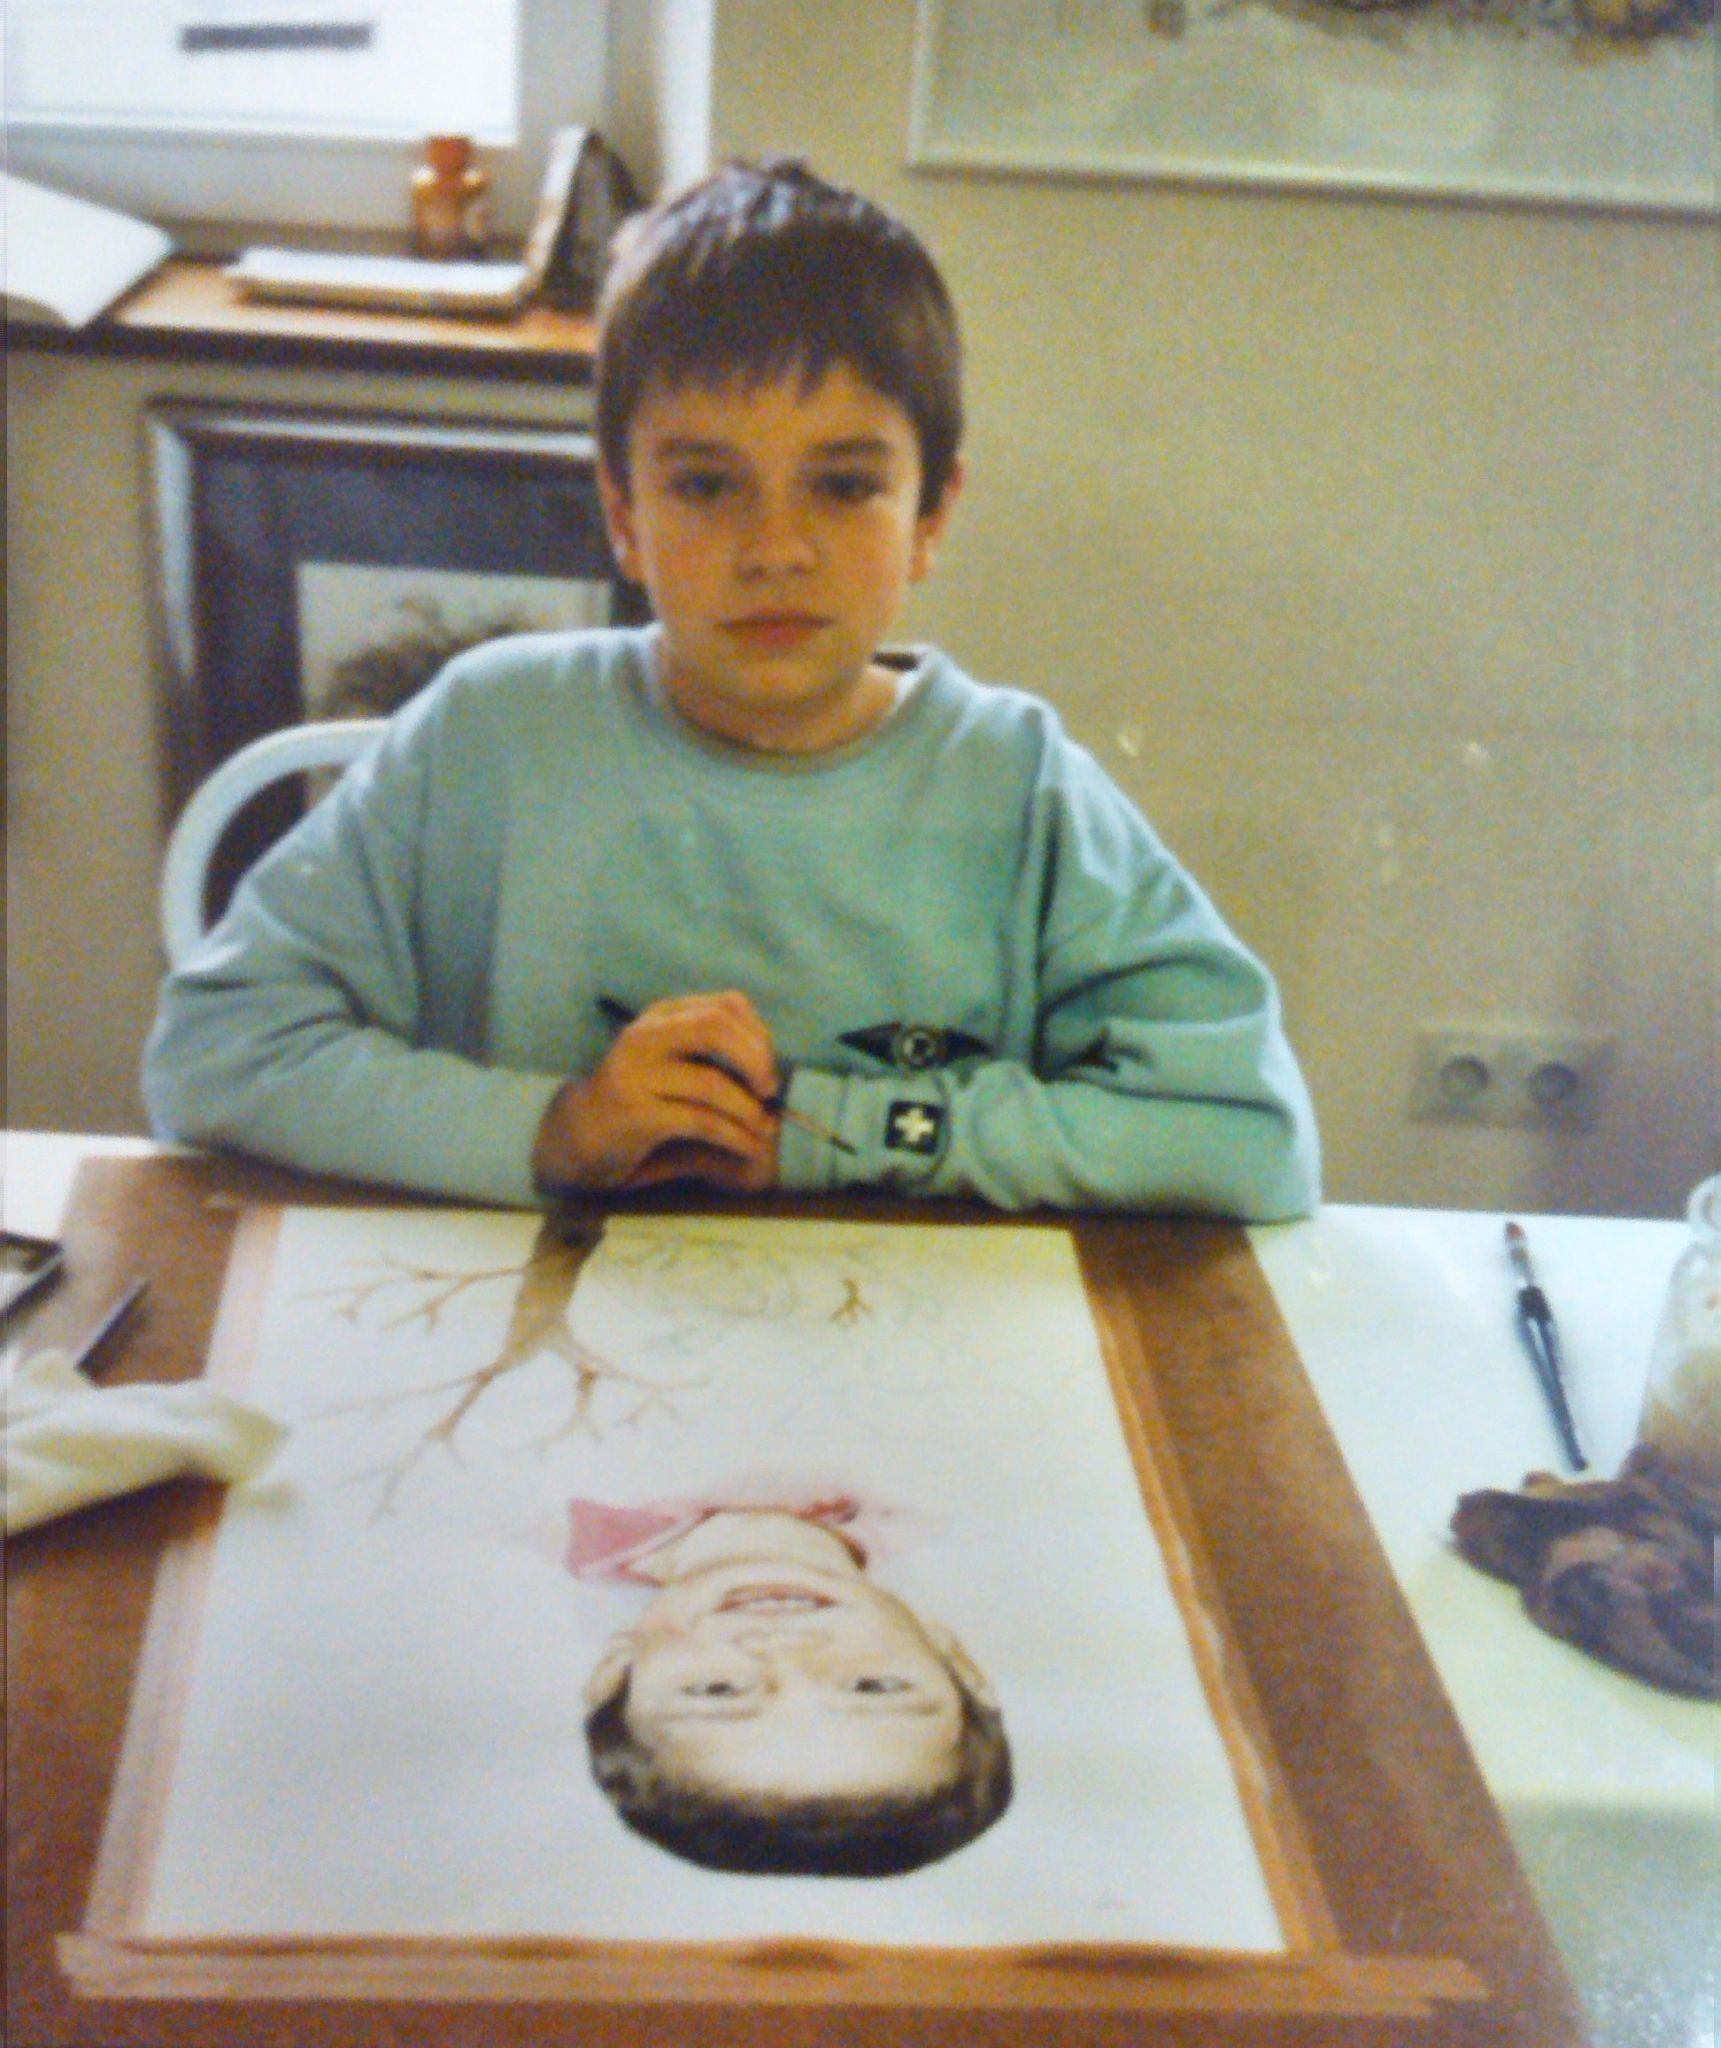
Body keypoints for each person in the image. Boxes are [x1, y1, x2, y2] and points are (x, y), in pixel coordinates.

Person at [143, 157, 1320, 1219]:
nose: (775, 549)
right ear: (622, 513)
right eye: (706, 486)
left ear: (930, 514)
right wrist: (555, 1126)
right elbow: (213, 1051)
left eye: (842, 485)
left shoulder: (1020, 789)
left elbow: (1245, 1135)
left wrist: (830, 1131)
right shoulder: (488, 736)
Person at [570, 1499, 1011, 1876]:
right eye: (872, 1686)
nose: (790, 1648)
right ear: (957, 1663)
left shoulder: (572, 1512)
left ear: (616, 1673)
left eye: (718, 1690)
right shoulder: (950, 1505)